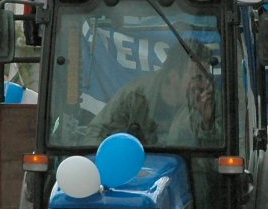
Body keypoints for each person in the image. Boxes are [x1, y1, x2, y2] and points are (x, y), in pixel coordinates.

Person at [87, 41, 217, 147]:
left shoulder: (210, 101)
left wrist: (207, 124)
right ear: (173, 76)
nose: (204, 84)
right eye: (197, 78)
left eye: (207, 77)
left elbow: (214, 160)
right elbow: (96, 133)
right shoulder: (135, 97)